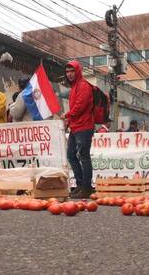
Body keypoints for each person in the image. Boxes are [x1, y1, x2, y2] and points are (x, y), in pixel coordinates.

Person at [63, 60, 95, 199]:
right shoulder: (74, 87)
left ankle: (87, 188)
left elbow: (79, 107)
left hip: (85, 126)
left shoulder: (84, 86)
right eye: (67, 72)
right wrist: (68, 122)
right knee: (70, 155)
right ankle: (80, 185)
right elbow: (74, 108)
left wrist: (67, 115)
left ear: (78, 71)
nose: (69, 74)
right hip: (75, 127)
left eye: (72, 71)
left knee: (83, 156)